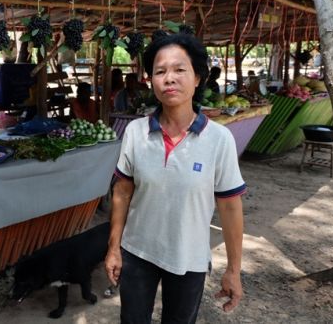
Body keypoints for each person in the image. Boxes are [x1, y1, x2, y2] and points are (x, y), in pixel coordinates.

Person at [105, 33, 245, 323]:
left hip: (188, 257)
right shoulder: (136, 132)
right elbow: (122, 192)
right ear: (151, 81)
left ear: (197, 78)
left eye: (180, 69)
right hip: (137, 252)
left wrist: (233, 270)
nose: (169, 78)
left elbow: (230, 206)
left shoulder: (219, 139)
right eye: (160, 71)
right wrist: (114, 248)